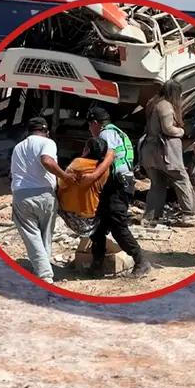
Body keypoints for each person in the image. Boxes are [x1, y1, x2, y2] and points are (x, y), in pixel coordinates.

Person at [78, 107, 153, 278]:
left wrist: (93, 176)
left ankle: (141, 262)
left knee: (117, 226)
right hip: (115, 184)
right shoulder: (117, 132)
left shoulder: (106, 134)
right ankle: (97, 266)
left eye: (90, 126)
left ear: (95, 123)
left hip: (118, 185)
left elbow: (109, 157)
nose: (90, 130)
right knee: (98, 226)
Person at [8, 117, 79, 284]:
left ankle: (42, 269)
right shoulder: (47, 142)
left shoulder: (18, 147)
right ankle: (45, 276)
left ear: (29, 131)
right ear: (46, 132)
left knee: (32, 236)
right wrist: (65, 176)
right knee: (45, 234)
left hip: (21, 195)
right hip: (44, 195)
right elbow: (46, 160)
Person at [140, 80, 195, 227]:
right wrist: (181, 131)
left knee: (157, 184)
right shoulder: (166, 106)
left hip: (149, 151)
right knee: (181, 178)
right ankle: (190, 213)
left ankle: (151, 217)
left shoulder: (153, 103)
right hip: (164, 152)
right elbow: (168, 129)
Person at [55, 137, 109, 240]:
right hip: (91, 215)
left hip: (72, 213)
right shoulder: (105, 168)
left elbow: (61, 183)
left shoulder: (79, 163)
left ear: (87, 150)